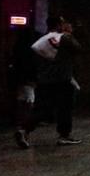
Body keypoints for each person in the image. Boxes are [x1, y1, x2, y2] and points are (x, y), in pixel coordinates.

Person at [28, 14, 83, 146]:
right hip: (62, 78)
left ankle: (24, 129)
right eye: (63, 23)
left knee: (42, 108)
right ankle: (64, 135)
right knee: (65, 108)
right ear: (59, 25)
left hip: (45, 79)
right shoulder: (64, 38)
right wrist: (69, 34)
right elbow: (78, 48)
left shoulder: (42, 40)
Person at [10, 26, 40, 149]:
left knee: (22, 103)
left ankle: (21, 128)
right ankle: (23, 130)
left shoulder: (17, 49)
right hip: (30, 81)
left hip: (20, 80)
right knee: (29, 104)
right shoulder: (33, 52)